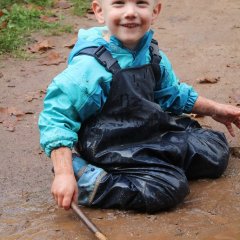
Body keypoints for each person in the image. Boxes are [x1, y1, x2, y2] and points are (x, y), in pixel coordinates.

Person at [38, 0, 240, 213]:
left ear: (155, 11)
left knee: (215, 150)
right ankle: (90, 181)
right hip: (110, 146)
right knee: (167, 187)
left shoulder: (151, 53)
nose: (131, 13)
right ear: (99, 11)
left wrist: (218, 110)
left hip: (149, 131)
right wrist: (63, 173)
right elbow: (56, 116)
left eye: (141, 3)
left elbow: (172, 94)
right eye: (119, 4)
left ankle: (158, 166)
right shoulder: (89, 67)